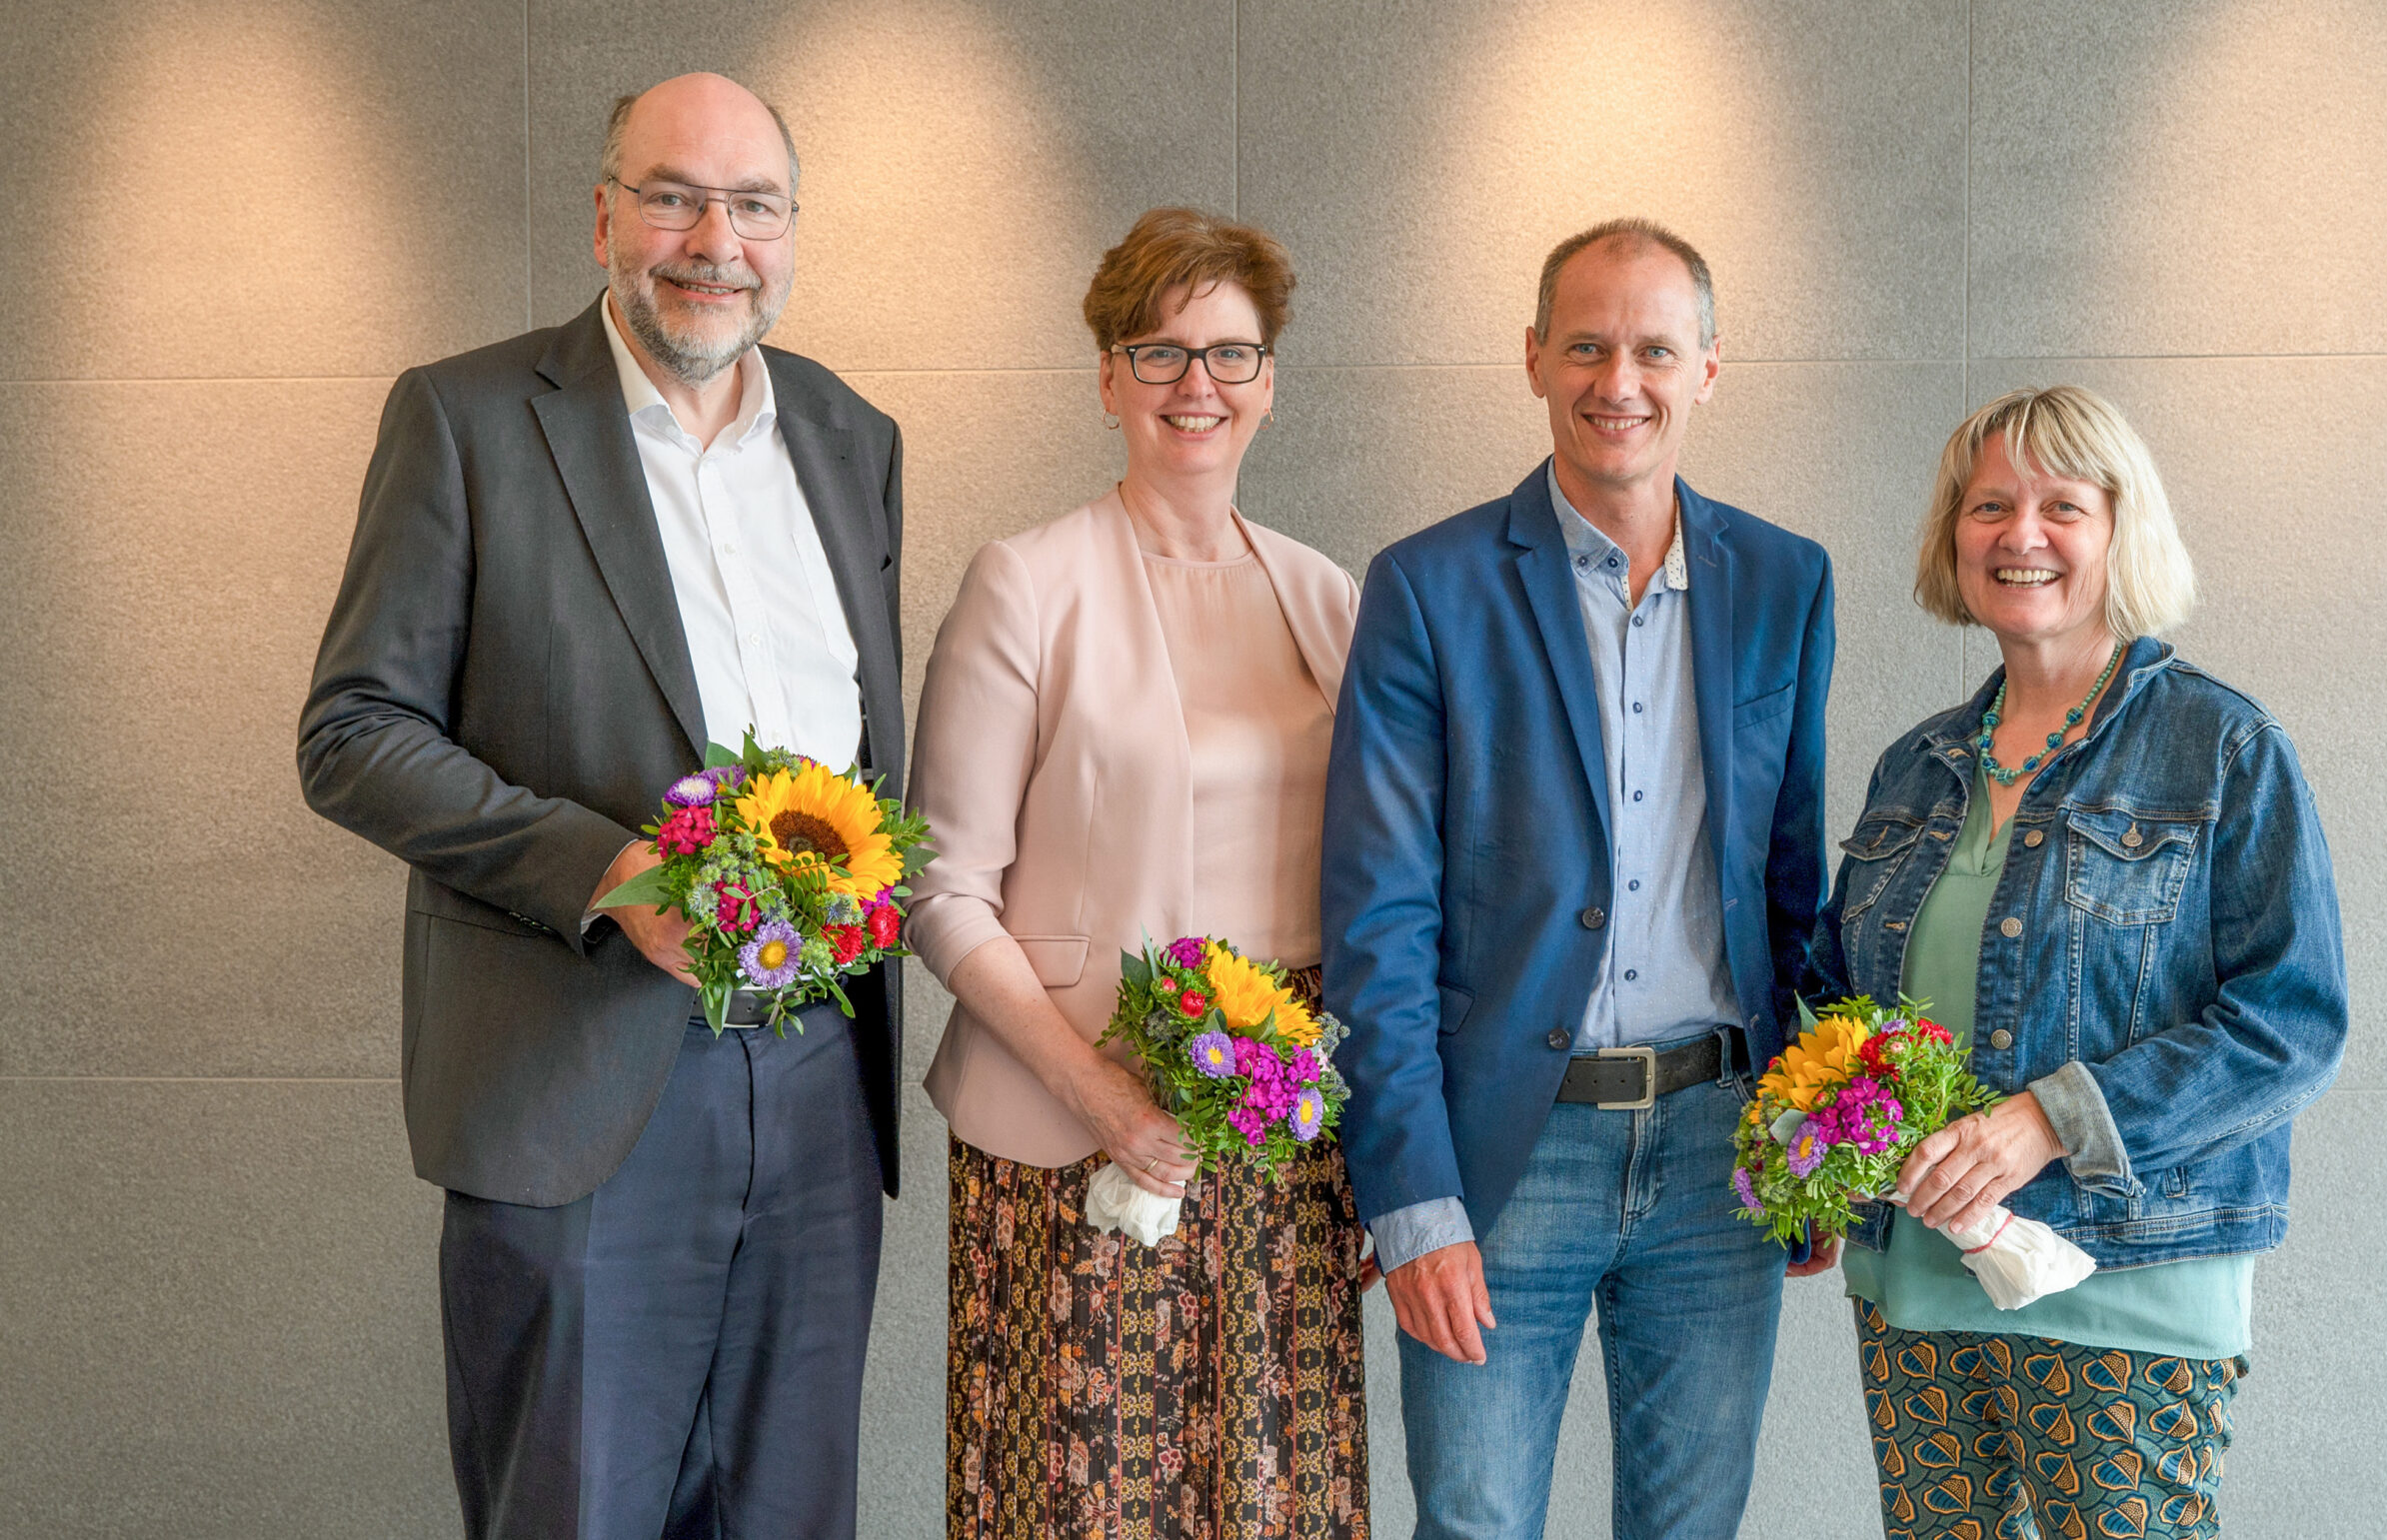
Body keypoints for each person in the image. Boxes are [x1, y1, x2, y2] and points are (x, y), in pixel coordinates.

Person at [298, 74, 905, 1539]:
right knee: (575, 1508)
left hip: (818, 1083)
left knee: (787, 1513)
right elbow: (354, 729)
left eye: (753, 204)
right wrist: (609, 869)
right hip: (581, 1084)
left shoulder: (849, 433)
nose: (714, 240)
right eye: (672, 194)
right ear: (602, 215)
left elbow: (871, 741)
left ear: (791, 231)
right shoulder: (469, 417)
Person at [1323, 218, 1836, 1540]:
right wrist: (1413, 1195)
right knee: (1477, 1523)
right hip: (1507, 1151)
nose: (1622, 379)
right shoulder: (1429, 588)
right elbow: (1380, 912)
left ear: (1709, 367)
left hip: (1723, 1150)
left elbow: (1793, 882)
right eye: (1589, 344)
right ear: (1535, 358)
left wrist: (1815, 1151)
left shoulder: (1784, 582)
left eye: (1655, 348)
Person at [1812, 386, 2347, 1540]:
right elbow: (1831, 995)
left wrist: (2046, 1121)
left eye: (2063, 503)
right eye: (1989, 504)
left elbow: (2289, 1022)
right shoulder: (1916, 766)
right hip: (1920, 1281)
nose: (2020, 534)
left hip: (2126, 1283)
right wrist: (1835, 1133)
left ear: (2119, 529)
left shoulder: (2223, 747)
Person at [906, 207, 1367, 1539]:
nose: (1195, 386)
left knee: (1278, 1494)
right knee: (1080, 1502)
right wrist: (1108, 1095)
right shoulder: (1026, 585)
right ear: (1106, 376)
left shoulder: (1328, 596)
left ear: (1270, 380)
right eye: (1158, 351)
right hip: (1070, 1122)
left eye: (1229, 353)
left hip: (1288, 1144)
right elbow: (943, 890)